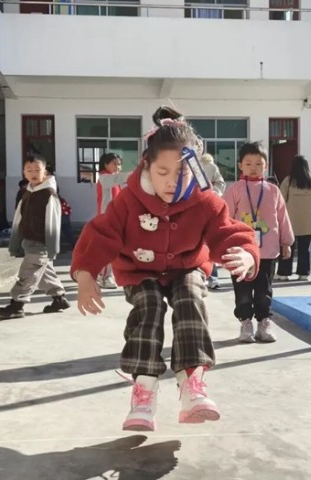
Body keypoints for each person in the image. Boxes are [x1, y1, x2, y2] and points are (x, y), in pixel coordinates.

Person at [71, 106, 259, 432]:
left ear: (195, 169)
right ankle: (144, 390)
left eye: (182, 173)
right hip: (139, 270)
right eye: (162, 172)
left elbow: (226, 230)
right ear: (147, 166)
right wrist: (85, 274)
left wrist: (246, 254)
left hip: (187, 267)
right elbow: (100, 233)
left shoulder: (204, 201)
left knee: (190, 297)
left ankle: (192, 384)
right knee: (149, 304)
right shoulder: (129, 200)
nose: (172, 182)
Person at [223, 142, 293, 343]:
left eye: (258, 164)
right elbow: (225, 218)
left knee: (264, 290)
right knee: (243, 290)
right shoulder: (234, 189)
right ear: (240, 166)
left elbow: (282, 217)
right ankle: (245, 323)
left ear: (266, 165)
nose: (253, 168)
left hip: (268, 251)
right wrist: (223, 242)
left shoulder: (273, 190)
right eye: (248, 164)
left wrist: (286, 242)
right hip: (241, 251)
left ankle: (264, 322)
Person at [0, 154, 70, 318]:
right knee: (44, 271)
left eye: (37, 170)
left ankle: (17, 304)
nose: (33, 173)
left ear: (45, 172)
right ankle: (59, 299)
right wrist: (16, 241)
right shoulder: (27, 192)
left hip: (41, 242)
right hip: (29, 240)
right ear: (24, 172)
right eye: (29, 170)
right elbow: (19, 218)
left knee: (28, 273)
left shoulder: (48, 194)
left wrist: (52, 247)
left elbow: (53, 222)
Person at [276, 155, 311, 281]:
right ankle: (304, 273)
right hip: (308, 222)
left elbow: (281, 200)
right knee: (305, 249)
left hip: (290, 221)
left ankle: (284, 273)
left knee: (287, 247)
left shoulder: (288, 181)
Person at [95, 152, 131, 289]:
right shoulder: (104, 178)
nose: (118, 166)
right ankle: (106, 276)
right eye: (114, 163)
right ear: (105, 164)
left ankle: (102, 274)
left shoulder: (115, 179)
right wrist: (136, 173)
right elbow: (119, 178)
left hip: (117, 219)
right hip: (107, 219)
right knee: (109, 249)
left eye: (119, 164)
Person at [200, 153, 227, 290]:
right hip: (192, 207)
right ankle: (204, 276)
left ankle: (212, 277)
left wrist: (212, 194)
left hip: (205, 207)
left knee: (208, 242)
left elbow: (220, 183)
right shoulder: (182, 164)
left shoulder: (208, 166)